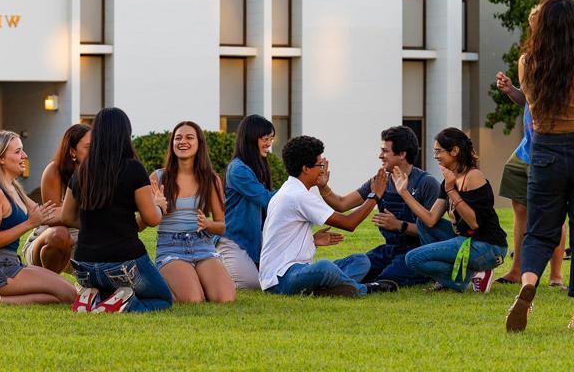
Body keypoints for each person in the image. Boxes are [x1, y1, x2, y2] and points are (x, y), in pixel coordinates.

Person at [506, 0, 574, 332]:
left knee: (539, 230)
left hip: (546, 152)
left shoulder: (527, 62)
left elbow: (533, 110)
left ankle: (528, 283)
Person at [63, 107, 173, 313]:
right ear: (126, 134)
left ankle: (92, 297)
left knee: (114, 288)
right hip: (122, 262)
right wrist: (160, 205)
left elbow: (66, 215)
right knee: (162, 299)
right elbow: (151, 218)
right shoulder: (133, 169)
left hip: (84, 265)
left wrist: (96, 223)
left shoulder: (82, 171)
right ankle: (124, 304)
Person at [260, 135, 397, 297]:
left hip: (296, 271)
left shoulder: (290, 189)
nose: (323, 169)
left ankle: (326, 290)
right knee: (325, 267)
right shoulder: (298, 196)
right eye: (319, 165)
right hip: (281, 279)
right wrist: (375, 196)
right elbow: (349, 223)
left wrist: (311, 241)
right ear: (306, 169)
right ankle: (364, 289)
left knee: (360, 260)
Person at [316, 126, 439, 288]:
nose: (380, 156)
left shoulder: (426, 183)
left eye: (385, 151)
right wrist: (323, 187)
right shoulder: (380, 180)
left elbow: (433, 231)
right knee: (361, 265)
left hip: (416, 252)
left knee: (387, 278)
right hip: (390, 249)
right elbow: (342, 204)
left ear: (402, 154)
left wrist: (399, 226)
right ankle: (322, 282)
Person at [0, 130, 77, 304]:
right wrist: (28, 224)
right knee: (70, 295)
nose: (24, 156)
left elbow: (44, 214)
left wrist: (87, 215)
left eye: (22, 150)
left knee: (70, 293)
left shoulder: (13, 187)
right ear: (1, 159)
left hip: (11, 265)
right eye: (17, 152)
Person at [401, 128, 508, 293]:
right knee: (422, 223)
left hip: (488, 246)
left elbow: (474, 222)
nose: (435, 156)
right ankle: (460, 277)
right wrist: (405, 193)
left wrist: (452, 191)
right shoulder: (449, 180)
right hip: (465, 241)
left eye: (439, 151)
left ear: (455, 151)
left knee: (413, 259)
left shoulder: (473, 176)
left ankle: (470, 274)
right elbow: (430, 219)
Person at [495, 72, 567, 290]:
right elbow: (527, 98)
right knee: (520, 209)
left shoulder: (561, 60)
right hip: (526, 149)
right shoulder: (531, 60)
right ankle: (516, 270)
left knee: (555, 212)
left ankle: (556, 276)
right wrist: (511, 91)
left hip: (550, 149)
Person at [150, 121, 235, 303]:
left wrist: (208, 224)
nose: (183, 141)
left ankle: (195, 279)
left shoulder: (211, 179)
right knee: (193, 299)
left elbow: (221, 227)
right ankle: (163, 282)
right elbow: (146, 221)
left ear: (199, 144)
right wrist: (157, 207)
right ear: (172, 144)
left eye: (189, 137)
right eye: (178, 138)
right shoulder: (158, 178)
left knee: (225, 298)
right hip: (171, 245)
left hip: (202, 244)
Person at [218, 114, 277, 290]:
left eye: (271, 139)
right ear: (251, 139)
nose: (269, 143)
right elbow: (266, 199)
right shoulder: (238, 169)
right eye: (265, 139)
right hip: (233, 240)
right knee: (250, 284)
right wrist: (296, 188)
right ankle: (215, 265)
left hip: (254, 241)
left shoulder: (258, 166)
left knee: (272, 280)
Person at [22, 124, 91, 274]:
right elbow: (52, 217)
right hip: (49, 240)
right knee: (60, 234)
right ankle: (50, 284)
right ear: (72, 151)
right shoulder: (54, 171)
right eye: (88, 147)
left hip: (83, 237)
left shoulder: (99, 173)